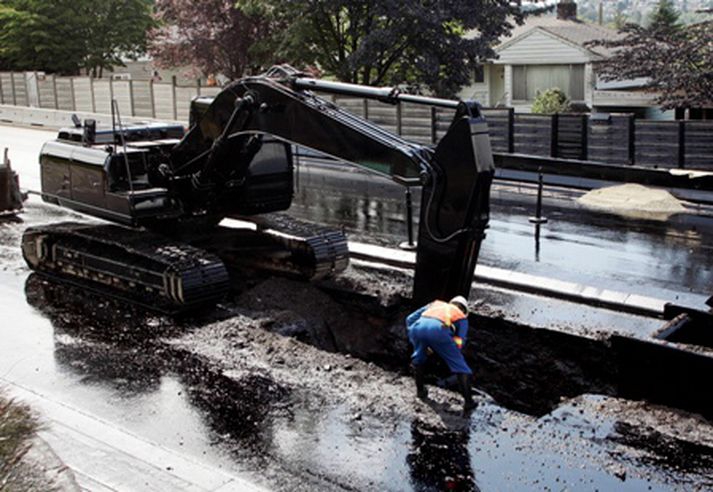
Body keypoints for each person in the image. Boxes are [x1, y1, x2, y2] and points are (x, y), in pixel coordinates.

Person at [406, 295, 475, 412]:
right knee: (462, 369)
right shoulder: (462, 317)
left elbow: (409, 319)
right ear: (464, 309)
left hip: (416, 328)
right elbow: (460, 342)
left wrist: (416, 339)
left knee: (419, 359)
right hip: (440, 332)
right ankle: (469, 402)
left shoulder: (435, 304)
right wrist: (448, 347)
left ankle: (420, 391)